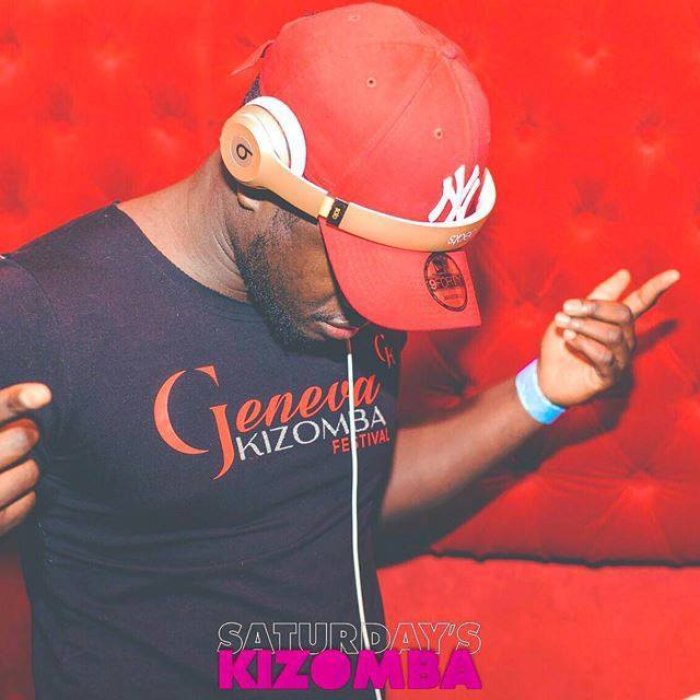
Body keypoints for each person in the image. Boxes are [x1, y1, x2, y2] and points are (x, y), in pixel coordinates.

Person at [0, 4, 679, 699]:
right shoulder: (41, 310)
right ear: (252, 161)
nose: (372, 311)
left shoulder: (344, 302)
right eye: (361, 265)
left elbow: (350, 485)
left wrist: (539, 392)